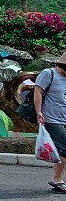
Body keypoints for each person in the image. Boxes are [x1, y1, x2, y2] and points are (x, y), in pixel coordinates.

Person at [35, 53, 66, 193]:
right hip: (52, 119)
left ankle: (57, 179)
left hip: (64, 117)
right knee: (64, 147)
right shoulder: (48, 74)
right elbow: (38, 92)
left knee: (63, 149)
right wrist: (39, 112)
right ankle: (57, 179)